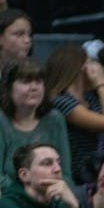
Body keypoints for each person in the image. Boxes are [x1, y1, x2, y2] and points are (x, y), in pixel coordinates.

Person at [44, 44, 104, 184]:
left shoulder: (92, 99)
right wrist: (102, 84)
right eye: (91, 62)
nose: (97, 67)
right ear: (79, 67)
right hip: (81, 180)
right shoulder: (60, 102)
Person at [0, 57, 73, 190]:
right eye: (26, 81)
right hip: (9, 200)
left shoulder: (55, 119)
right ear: (9, 88)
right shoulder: (1, 121)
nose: (34, 87)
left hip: (50, 198)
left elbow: (66, 175)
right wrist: (31, 193)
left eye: (38, 81)